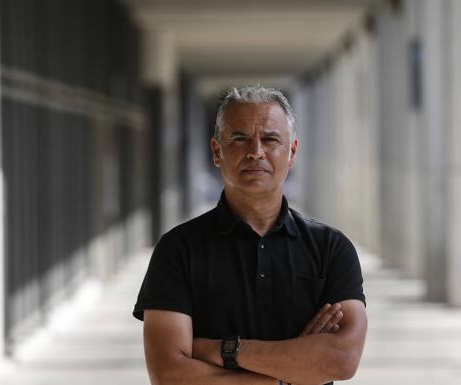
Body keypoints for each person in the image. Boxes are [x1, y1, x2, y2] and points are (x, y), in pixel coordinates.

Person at [133, 85, 367, 385]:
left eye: (270, 139)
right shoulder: (177, 249)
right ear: (217, 151)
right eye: (240, 138)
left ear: (292, 151)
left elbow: (342, 359)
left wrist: (221, 351)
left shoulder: (331, 249)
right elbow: (169, 374)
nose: (256, 152)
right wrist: (286, 376)